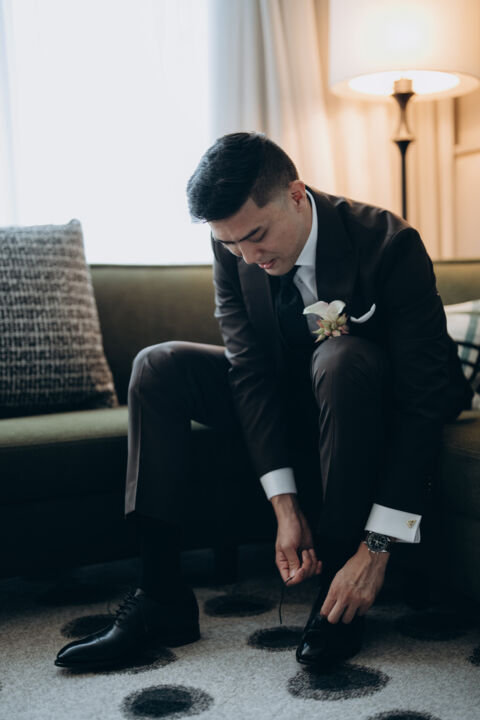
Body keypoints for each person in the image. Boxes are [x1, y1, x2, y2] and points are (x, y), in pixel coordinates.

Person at [55, 132, 472, 671]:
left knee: (340, 357)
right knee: (157, 365)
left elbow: (423, 400)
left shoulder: (389, 244)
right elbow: (248, 370)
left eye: (255, 236)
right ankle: (160, 596)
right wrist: (284, 504)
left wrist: (376, 549)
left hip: (373, 405)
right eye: (232, 246)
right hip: (291, 398)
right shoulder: (233, 245)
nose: (248, 258)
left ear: (296, 195)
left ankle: (339, 592)